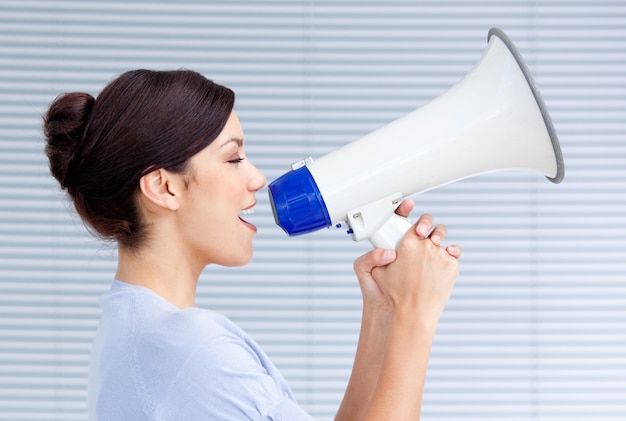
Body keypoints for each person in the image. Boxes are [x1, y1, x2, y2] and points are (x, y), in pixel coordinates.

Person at [43, 69, 461, 420]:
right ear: (163, 186)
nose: (257, 178)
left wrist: (384, 311)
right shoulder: (191, 346)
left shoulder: (136, 329)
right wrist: (415, 315)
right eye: (233, 158)